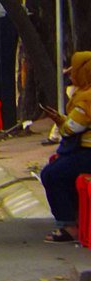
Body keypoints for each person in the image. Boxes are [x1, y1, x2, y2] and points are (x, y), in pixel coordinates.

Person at [40, 50, 91, 243]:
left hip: (86, 153)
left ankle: (68, 226)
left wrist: (61, 122)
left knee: (51, 174)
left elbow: (71, 129)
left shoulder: (86, 98)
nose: (70, 74)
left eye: (74, 70)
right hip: (82, 152)